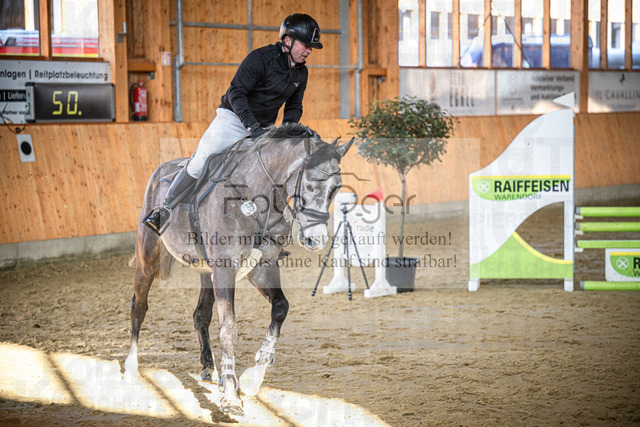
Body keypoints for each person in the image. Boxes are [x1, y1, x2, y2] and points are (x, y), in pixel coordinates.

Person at [144, 13, 323, 235]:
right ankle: (165, 209)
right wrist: (250, 125)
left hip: (264, 129)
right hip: (233, 120)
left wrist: (284, 134)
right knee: (203, 158)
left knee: (275, 169)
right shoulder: (260, 58)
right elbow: (236, 92)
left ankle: (269, 230)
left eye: (311, 47)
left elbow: (294, 107)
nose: (309, 51)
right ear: (288, 41)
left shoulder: (301, 73)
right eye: (306, 45)